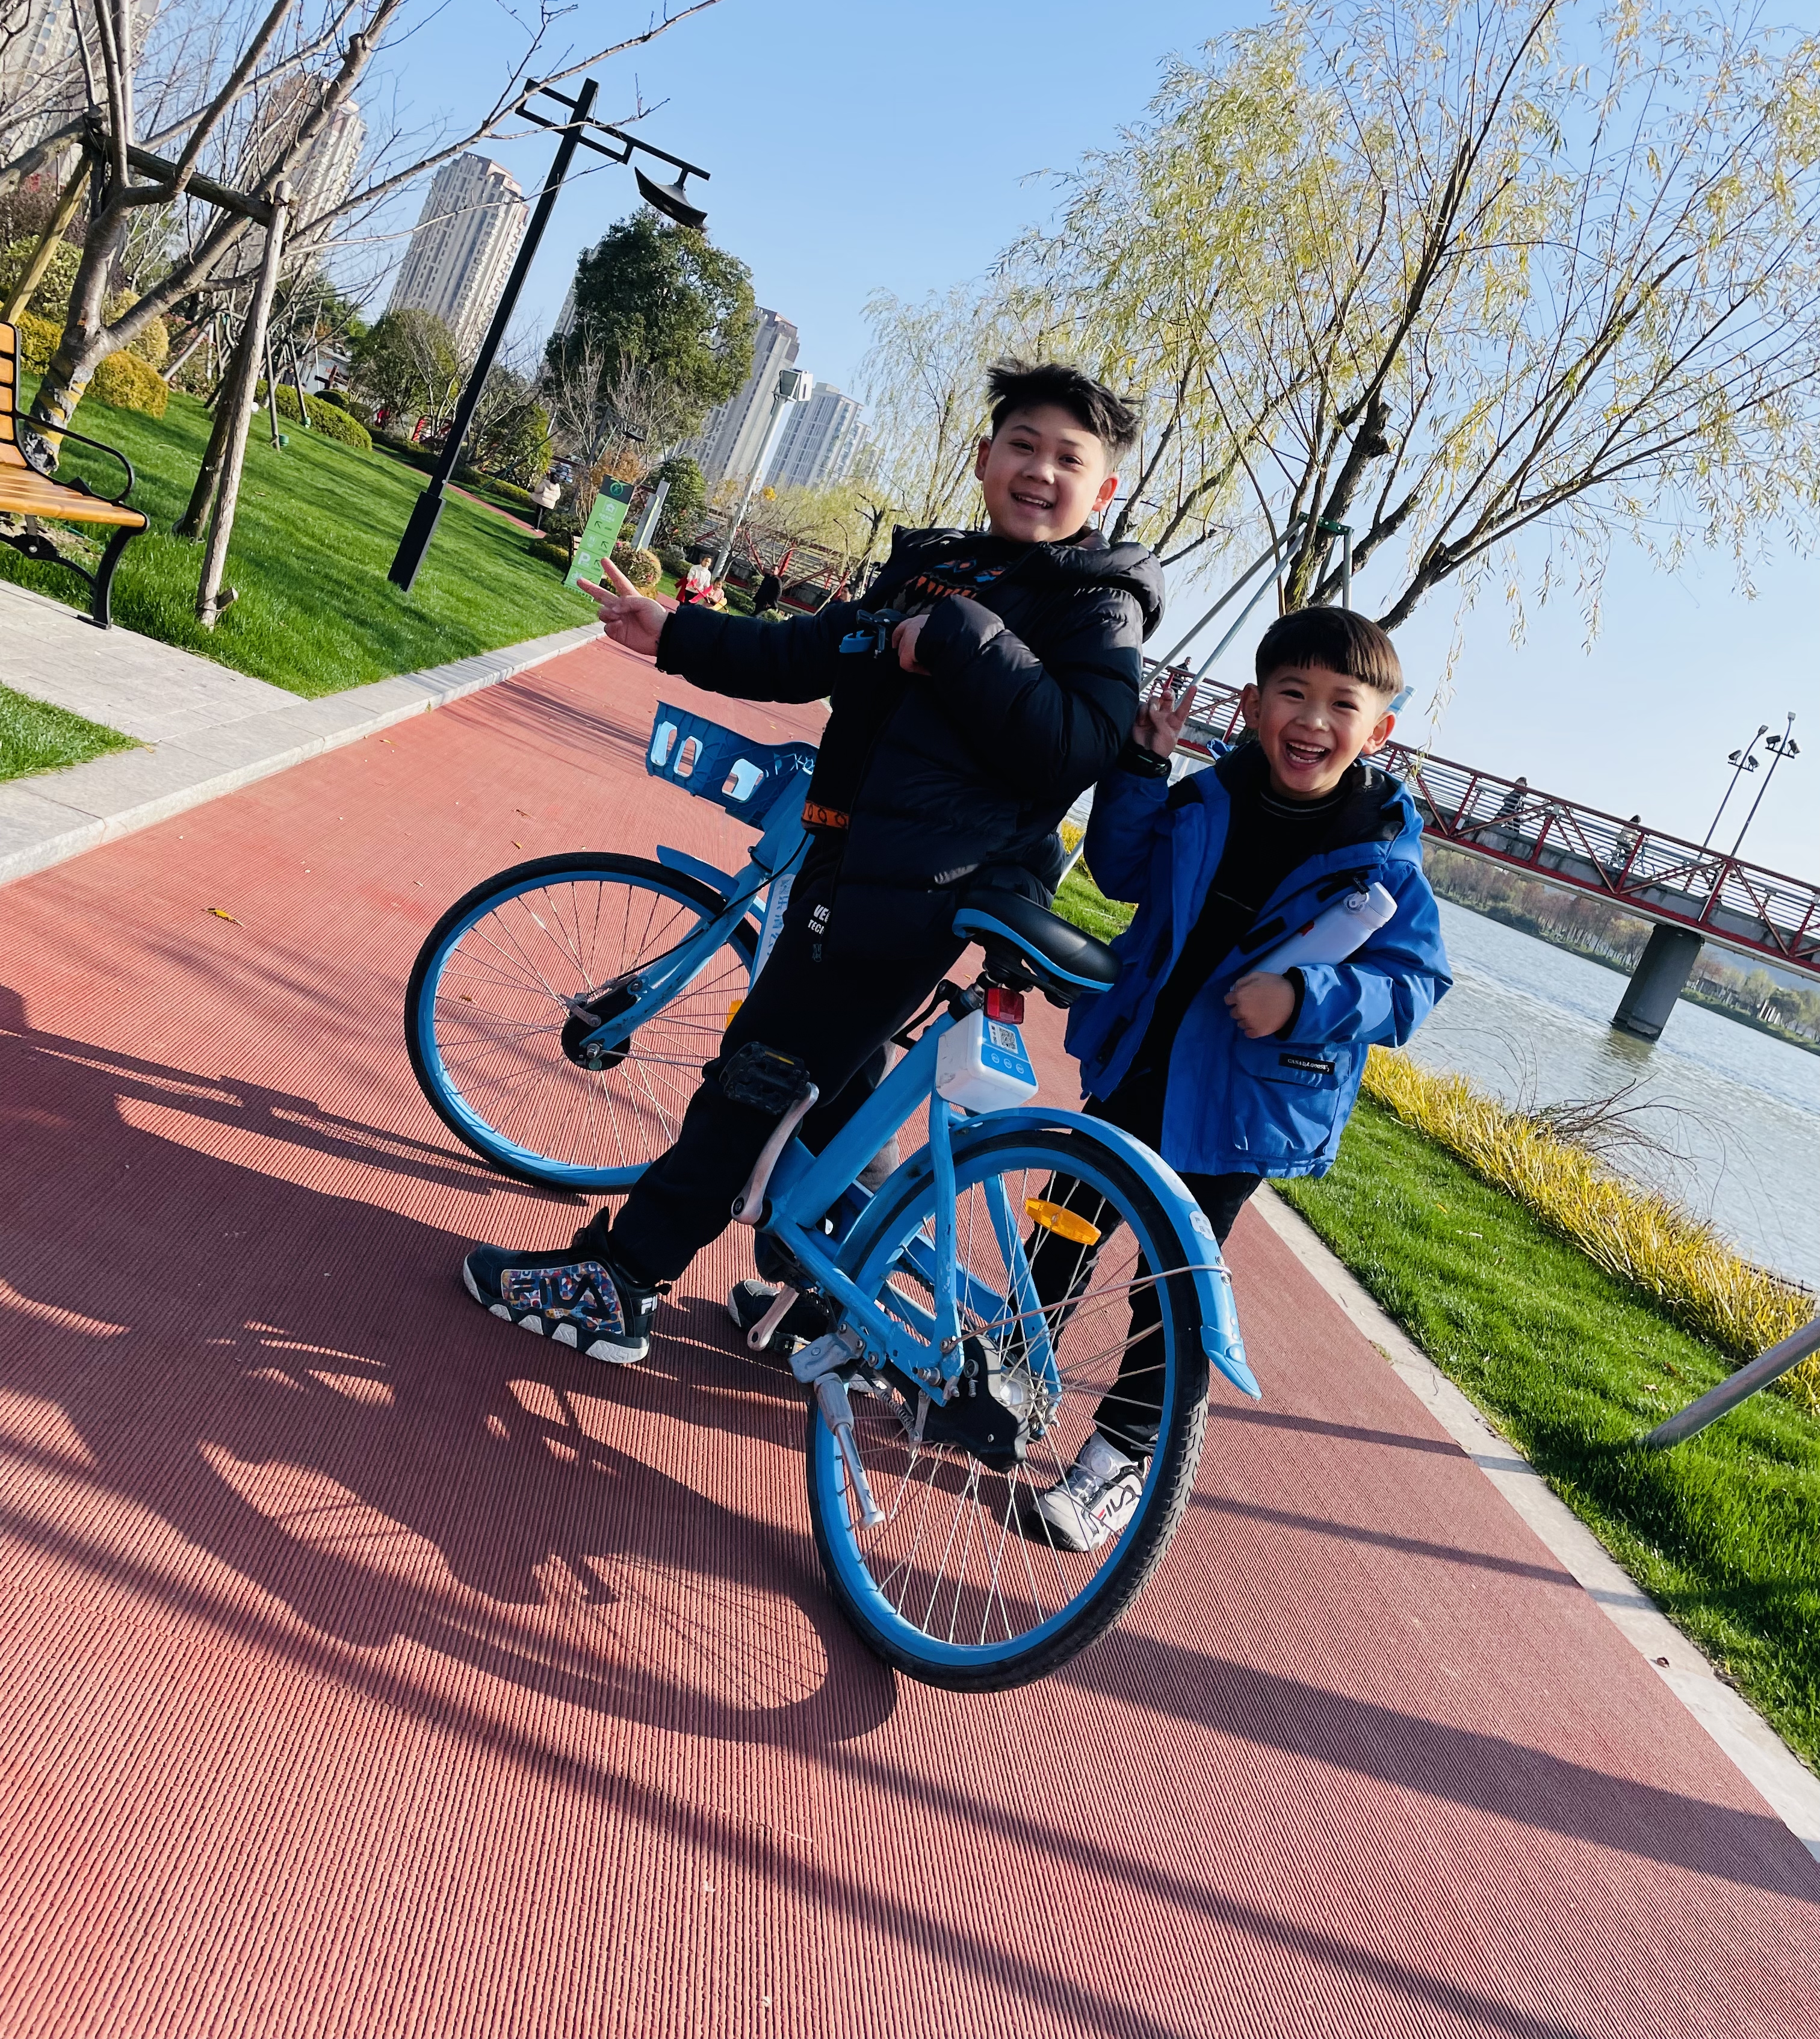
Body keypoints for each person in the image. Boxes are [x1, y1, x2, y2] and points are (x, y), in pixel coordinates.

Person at [460, 362, 1165, 1370]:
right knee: (838, 1090)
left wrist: (960, 639)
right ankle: (831, 1300)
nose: (1040, 472)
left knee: (756, 1079)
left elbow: (1076, 747)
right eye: (1022, 445)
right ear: (983, 458)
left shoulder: (1097, 605)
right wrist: (676, 635)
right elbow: (811, 653)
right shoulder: (944, 568)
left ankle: (621, 1281)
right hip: (857, 866)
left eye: (1069, 460)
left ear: (1104, 491)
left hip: (916, 889)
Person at [1027, 607, 1451, 1550]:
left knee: (1170, 1283)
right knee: (1062, 1227)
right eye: (1293, 695)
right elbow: (1121, 868)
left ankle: (1120, 1456)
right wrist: (1141, 767)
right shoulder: (1206, 797)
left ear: (1378, 731)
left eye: (1342, 705)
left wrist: (1304, 997)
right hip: (1142, 1059)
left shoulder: (1384, 858)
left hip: (1244, 1105)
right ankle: (1011, 1377)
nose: (1313, 720)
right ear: (1254, 706)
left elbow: (1415, 988)